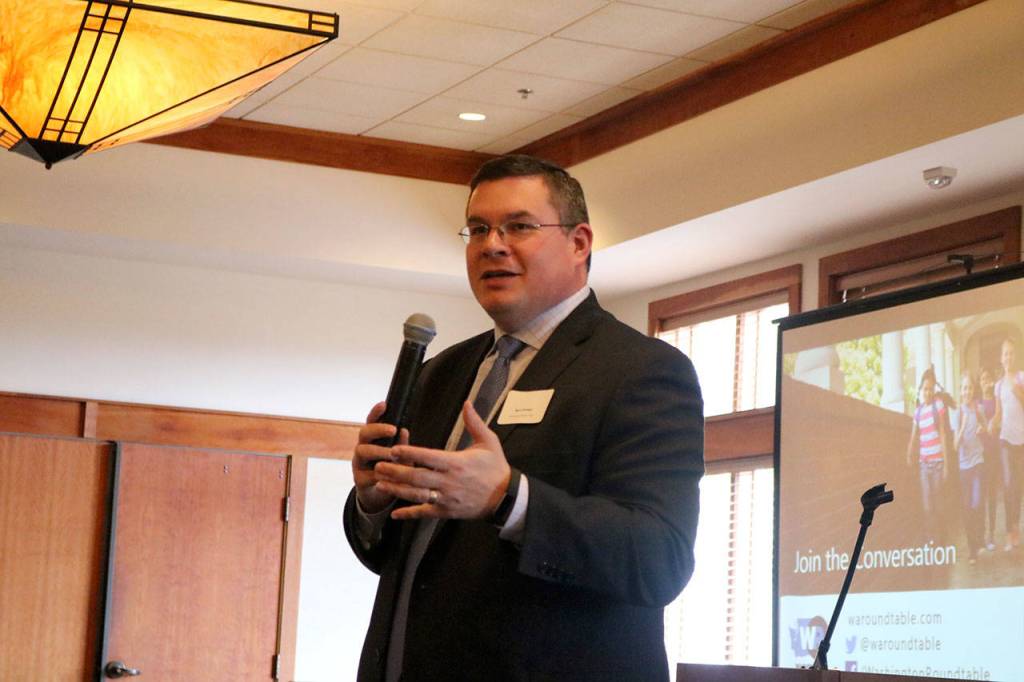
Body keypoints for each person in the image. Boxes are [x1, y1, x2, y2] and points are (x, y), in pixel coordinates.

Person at [343, 154, 704, 681]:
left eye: (519, 226)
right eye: (478, 229)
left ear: (579, 243)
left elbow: (659, 559)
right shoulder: (440, 373)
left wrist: (509, 499)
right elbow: (410, 564)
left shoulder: (641, 371)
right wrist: (374, 500)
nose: (492, 244)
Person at [906, 366, 952, 542]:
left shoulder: (938, 406)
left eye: (931, 389)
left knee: (938, 504)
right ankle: (932, 539)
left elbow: (942, 433)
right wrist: (909, 451)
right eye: (925, 389)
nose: (928, 392)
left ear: (934, 390)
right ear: (921, 389)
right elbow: (914, 435)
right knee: (927, 505)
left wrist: (947, 464)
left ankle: (942, 537)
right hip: (924, 465)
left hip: (938, 463)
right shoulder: (917, 412)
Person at [989, 337, 1024, 551]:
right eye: (1005, 354)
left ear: (1015, 356)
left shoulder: (1021, 377)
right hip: (1005, 439)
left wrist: (1018, 391)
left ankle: (1014, 528)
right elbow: (998, 413)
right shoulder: (998, 385)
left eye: (1011, 353)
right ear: (1001, 359)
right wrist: (991, 424)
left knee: (1017, 487)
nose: (1008, 357)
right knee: (1009, 484)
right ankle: (1010, 533)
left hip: (1022, 440)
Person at [953, 372, 986, 563]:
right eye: (964, 388)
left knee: (976, 502)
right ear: (960, 391)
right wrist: (964, 425)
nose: (967, 391)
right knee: (967, 507)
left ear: (973, 391)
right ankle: (972, 548)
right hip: (964, 466)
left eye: (970, 388)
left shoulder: (978, 409)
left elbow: (985, 427)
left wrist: (982, 429)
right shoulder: (957, 413)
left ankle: (979, 539)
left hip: (978, 461)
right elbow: (955, 446)